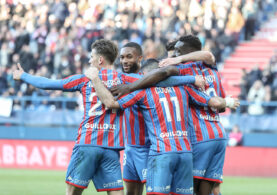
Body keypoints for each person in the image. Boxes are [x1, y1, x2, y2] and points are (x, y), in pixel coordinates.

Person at [110, 35, 239, 195]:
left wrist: (127, 88)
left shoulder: (181, 75)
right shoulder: (205, 72)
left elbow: (165, 74)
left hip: (185, 142)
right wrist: (227, 102)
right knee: (211, 187)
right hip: (214, 135)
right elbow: (217, 104)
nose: (173, 57)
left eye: (177, 52)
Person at [85, 61, 229, 195]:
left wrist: (95, 79)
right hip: (185, 152)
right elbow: (213, 102)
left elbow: (111, 104)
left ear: (148, 77)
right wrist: (228, 101)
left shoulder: (142, 92)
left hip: (162, 152)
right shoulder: (184, 89)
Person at [13, 39, 128, 195]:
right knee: (116, 192)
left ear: (100, 60)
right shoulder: (125, 80)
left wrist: (23, 76)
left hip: (88, 143)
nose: (89, 60)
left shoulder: (84, 79)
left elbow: (49, 84)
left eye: (92, 57)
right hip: (112, 146)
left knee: (72, 191)